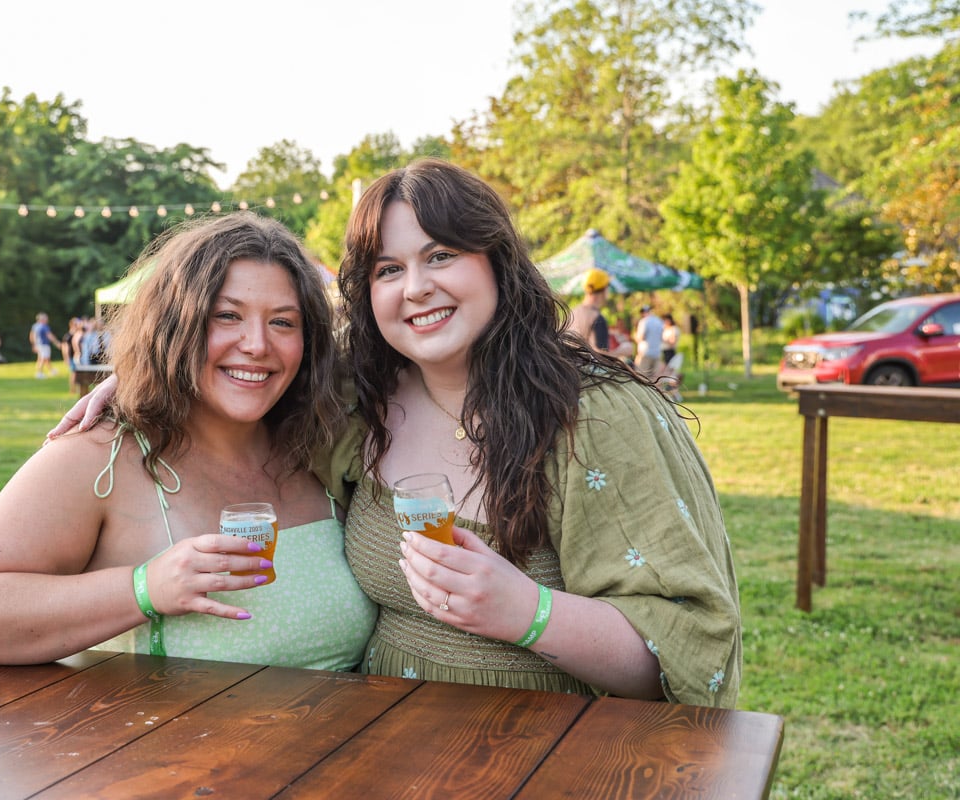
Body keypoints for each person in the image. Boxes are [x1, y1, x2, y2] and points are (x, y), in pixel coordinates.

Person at [54, 161, 741, 708]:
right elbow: (249, 367)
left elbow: (690, 652)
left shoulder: (598, 417)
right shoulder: (360, 400)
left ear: (497, 263)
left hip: (542, 758)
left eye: (441, 256)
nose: (415, 288)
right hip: (375, 754)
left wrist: (527, 611)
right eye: (388, 269)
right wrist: (150, 383)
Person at [0, 213, 377, 668]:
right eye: (226, 315)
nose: (257, 344)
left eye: (283, 322)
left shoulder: (322, 447)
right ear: (174, 325)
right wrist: (145, 588)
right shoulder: (100, 457)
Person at [565, 268, 612, 354]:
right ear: (604, 289)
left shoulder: (571, 313)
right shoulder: (597, 318)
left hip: (568, 362)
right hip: (586, 363)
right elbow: (602, 355)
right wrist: (622, 350)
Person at [633, 304, 665, 379]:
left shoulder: (644, 321)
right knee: (654, 378)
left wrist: (634, 336)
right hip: (657, 352)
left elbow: (641, 337)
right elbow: (661, 337)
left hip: (645, 352)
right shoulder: (659, 321)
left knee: (642, 377)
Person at [30, 312, 62, 378]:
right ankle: (39, 373)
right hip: (44, 344)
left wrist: (34, 345)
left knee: (45, 358)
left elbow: (31, 336)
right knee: (43, 358)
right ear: (42, 319)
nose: (47, 320)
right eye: (46, 318)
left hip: (38, 344)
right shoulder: (44, 326)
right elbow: (49, 336)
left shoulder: (35, 326)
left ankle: (51, 370)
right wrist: (57, 343)